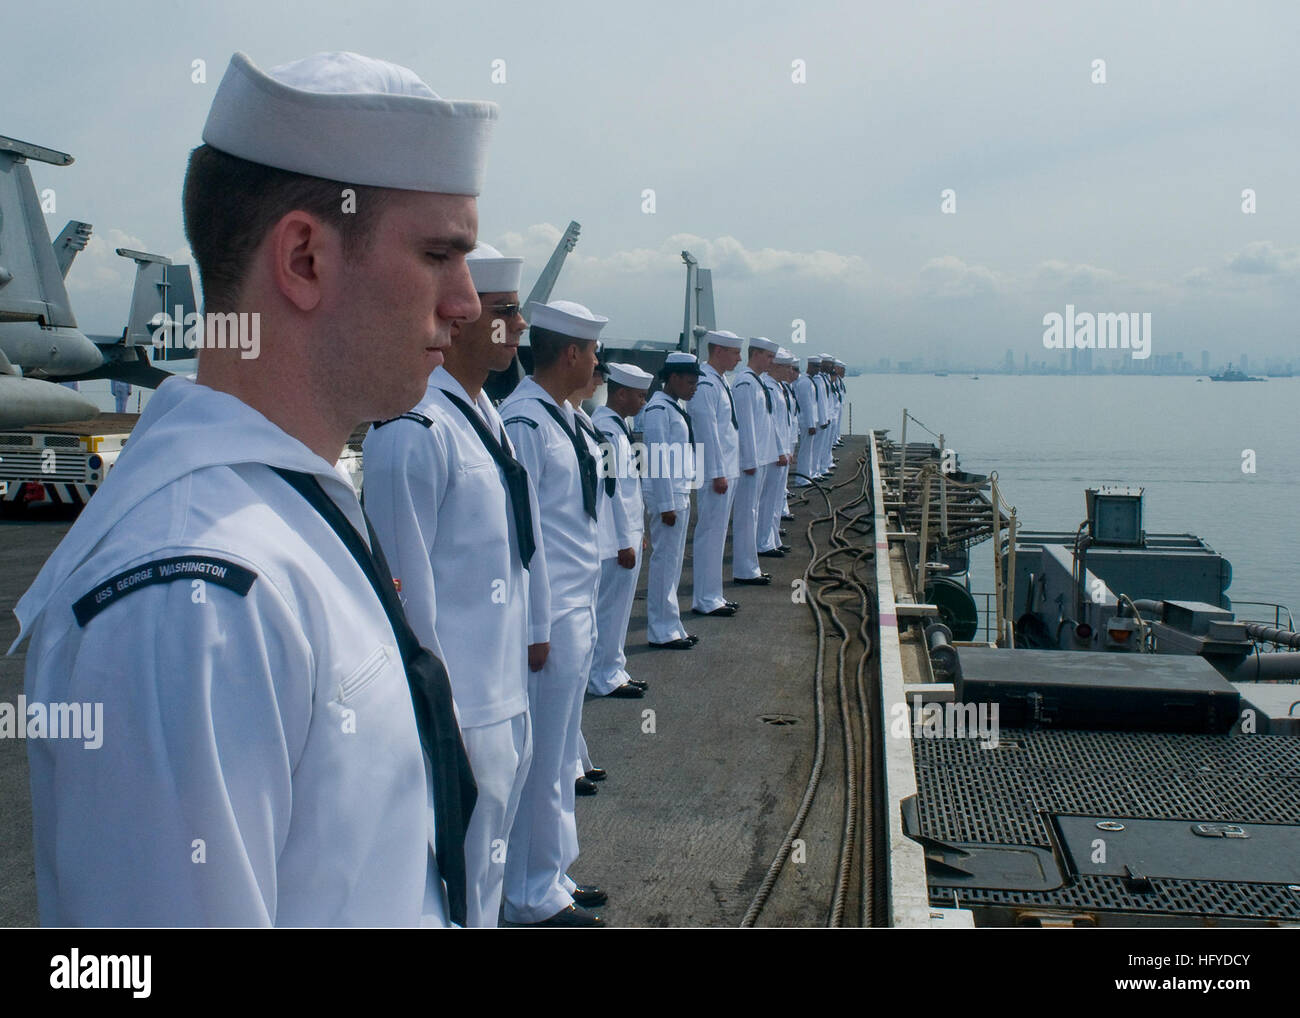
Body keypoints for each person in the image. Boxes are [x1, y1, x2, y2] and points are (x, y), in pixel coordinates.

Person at [10, 50, 496, 926]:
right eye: (438, 254)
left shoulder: (285, 511)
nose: (466, 303)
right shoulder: (193, 599)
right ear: (304, 258)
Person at [362, 241, 548, 928]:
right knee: (454, 888)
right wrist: (436, 725)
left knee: (487, 877)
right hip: (460, 712)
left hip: (504, 700)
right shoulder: (414, 432)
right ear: (463, 319)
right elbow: (404, 601)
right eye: (505, 312)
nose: (519, 326)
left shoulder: (485, 420)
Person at [500, 299, 608, 927]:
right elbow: (526, 534)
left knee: (562, 752)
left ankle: (553, 873)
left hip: (580, 603)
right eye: (591, 352)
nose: (596, 363)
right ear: (570, 354)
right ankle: (527, 894)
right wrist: (537, 626)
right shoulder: (526, 423)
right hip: (552, 614)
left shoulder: (566, 417)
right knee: (540, 759)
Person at [589, 362, 653, 695]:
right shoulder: (607, 429)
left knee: (619, 608)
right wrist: (623, 540)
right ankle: (603, 676)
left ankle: (614, 669)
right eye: (640, 396)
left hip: (626, 532)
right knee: (611, 609)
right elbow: (612, 491)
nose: (644, 402)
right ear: (621, 393)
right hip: (617, 539)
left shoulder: (619, 426)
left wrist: (637, 531)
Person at [642, 352, 702, 649]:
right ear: (674, 378)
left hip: (679, 495)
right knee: (665, 565)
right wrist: (665, 505)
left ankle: (672, 625)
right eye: (690, 381)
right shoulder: (658, 411)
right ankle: (661, 630)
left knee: (674, 564)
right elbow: (656, 459)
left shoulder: (673, 407)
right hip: (669, 500)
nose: (694, 387)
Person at [687, 329, 743, 614]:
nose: (739, 358)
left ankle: (714, 595)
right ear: (719, 350)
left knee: (718, 534)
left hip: (727, 469)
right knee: (710, 533)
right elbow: (706, 432)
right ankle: (705, 599)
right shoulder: (706, 385)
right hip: (716, 473)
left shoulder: (720, 382)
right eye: (735, 352)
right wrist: (718, 472)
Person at [731, 336, 781, 581]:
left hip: (762, 459)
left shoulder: (757, 383)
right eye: (769, 356)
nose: (771, 361)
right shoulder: (745, 383)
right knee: (746, 515)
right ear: (756, 354)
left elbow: (766, 422)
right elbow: (746, 425)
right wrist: (750, 461)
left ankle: (751, 566)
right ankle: (745, 569)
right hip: (752, 462)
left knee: (752, 513)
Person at [758, 348, 795, 557]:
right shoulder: (769, 388)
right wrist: (781, 450)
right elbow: (771, 424)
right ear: (776, 367)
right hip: (773, 453)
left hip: (781, 451)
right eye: (787, 367)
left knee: (775, 498)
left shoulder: (776, 387)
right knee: (768, 499)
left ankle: (772, 538)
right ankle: (764, 542)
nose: (790, 371)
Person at [794, 356, 820, 486]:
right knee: (805, 451)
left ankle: (807, 475)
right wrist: (811, 424)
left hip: (810, 421)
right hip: (806, 422)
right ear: (810, 366)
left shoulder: (809, 381)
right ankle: (802, 478)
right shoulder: (805, 382)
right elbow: (806, 405)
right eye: (816, 367)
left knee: (809, 450)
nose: (818, 370)